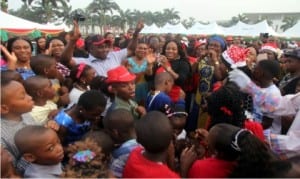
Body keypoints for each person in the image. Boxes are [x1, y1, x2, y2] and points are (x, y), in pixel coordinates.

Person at [186, 123, 300, 178]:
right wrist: (213, 139)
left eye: (208, 146)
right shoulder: (272, 164)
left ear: (217, 153)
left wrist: (184, 170)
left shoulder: (201, 169)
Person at [1, 79, 59, 174]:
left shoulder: (24, 113)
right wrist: (31, 154)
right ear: (4, 108)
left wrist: (47, 126)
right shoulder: (2, 139)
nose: (30, 97)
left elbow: (37, 130)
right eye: (23, 97)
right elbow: (13, 171)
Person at [60, 20, 144, 77]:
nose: (105, 50)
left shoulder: (114, 55)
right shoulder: (84, 63)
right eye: (100, 47)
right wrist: (73, 41)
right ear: (91, 49)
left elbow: (131, 50)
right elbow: (65, 60)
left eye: (106, 46)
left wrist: (136, 33)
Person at [122, 111, 180, 178]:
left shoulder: (134, 153)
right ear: (170, 143)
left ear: (138, 140)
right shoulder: (169, 176)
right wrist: (183, 169)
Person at [103, 109, 139, 178]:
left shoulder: (119, 155)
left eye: (107, 132)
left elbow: (112, 176)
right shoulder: (145, 140)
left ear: (115, 132)